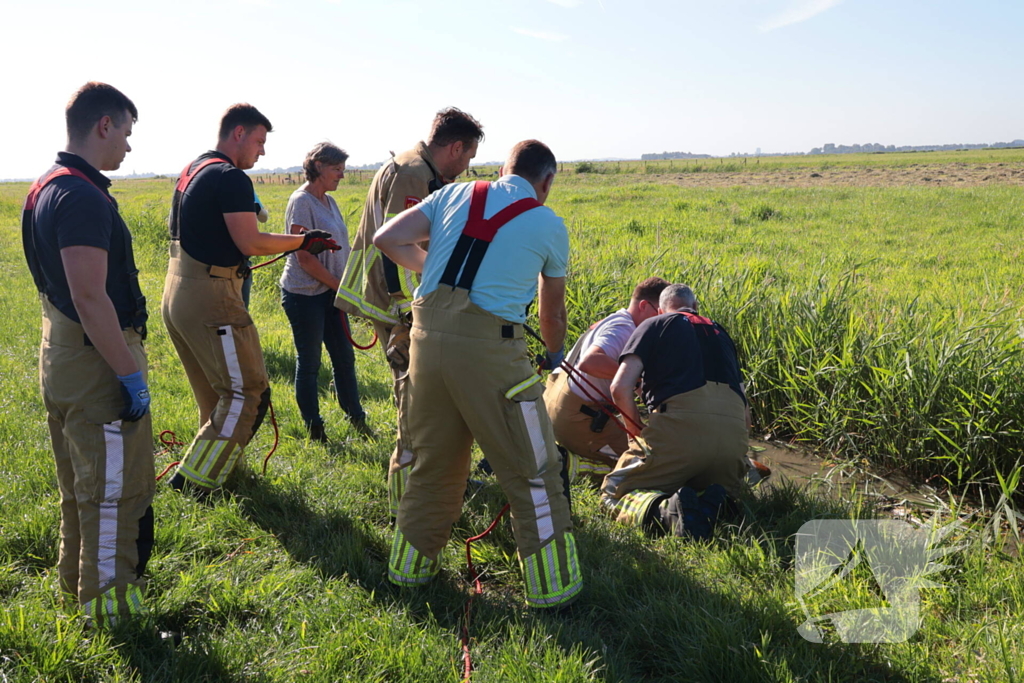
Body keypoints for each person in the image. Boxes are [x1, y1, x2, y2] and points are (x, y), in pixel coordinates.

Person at [374, 139, 582, 608]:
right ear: (546, 181)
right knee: (535, 471)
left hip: (425, 343)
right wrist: (553, 355)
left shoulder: (452, 193)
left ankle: (408, 576)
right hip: (492, 353)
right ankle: (555, 591)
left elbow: (385, 238)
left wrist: (436, 273)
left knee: (433, 467)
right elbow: (552, 314)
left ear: (505, 168)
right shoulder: (548, 223)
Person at [22, 82, 153, 627]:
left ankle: (77, 591)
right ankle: (112, 617)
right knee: (111, 493)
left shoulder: (47, 185)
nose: (128, 145)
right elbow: (89, 294)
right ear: (104, 125)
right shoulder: (79, 195)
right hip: (95, 361)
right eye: (125, 130)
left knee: (81, 488)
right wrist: (129, 374)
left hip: (64, 352)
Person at [163, 104, 339, 495]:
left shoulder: (194, 169)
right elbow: (252, 241)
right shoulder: (229, 177)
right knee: (247, 393)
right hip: (211, 296)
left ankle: (217, 465)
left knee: (215, 393)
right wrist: (303, 240)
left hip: (178, 291)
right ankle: (193, 483)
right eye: (259, 141)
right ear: (238, 133)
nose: (261, 153)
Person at [335, 107, 484, 516]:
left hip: (399, 299)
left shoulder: (419, 168)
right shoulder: (413, 173)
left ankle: (430, 475)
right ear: (455, 147)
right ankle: (407, 497)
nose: (467, 166)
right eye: (468, 156)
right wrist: (404, 305)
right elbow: (393, 243)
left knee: (421, 393)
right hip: (393, 300)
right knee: (413, 396)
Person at [601, 284, 752, 539]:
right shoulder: (722, 334)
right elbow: (746, 414)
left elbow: (619, 388)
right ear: (695, 307)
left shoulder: (654, 324)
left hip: (680, 431)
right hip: (731, 441)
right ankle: (712, 504)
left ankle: (664, 513)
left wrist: (637, 434)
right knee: (697, 480)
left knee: (613, 492)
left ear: (660, 310)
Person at [279, 142, 369, 442]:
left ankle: (356, 417)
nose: (341, 176)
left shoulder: (330, 202)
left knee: (344, 358)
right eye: (336, 169)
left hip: (333, 293)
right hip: (305, 295)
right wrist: (338, 287)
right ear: (318, 166)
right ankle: (314, 427)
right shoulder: (301, 201)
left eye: (342, 170)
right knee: (311, 361)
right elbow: (303, 257)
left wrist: (345, 287)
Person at [544, 277, 669, 482]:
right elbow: (590, 362)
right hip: (577, 419)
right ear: (644, 306)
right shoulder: (623, 330)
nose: (663, 321)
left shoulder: (617, 319)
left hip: (556, 403)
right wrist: (635, 380)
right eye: (661, 313)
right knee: (646, 464)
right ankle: (566, 465)